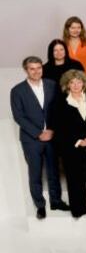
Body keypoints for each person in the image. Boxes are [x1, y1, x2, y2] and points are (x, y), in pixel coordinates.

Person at [13, 57, 65, 218]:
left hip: (51, 135)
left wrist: (51, 130)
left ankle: (56, 201)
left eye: (38, 68)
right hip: (31, 139)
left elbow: (58, 109)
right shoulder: (17, 90)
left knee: (53, 170)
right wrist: (38, 133)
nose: (36, 71)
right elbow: (19, 116)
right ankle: (40, 205)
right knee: (35, 172)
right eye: (32, 68)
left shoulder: (51, 85)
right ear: (26, 70)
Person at [51, 69, 86, 217]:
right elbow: (59, 126)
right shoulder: (60, 101)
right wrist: (77, 141)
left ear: (84, 83)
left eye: (79, 81)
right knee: (74, 178)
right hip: (71, 146)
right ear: (67, 85)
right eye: (72, 82)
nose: (76, 85)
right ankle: (79, 209)